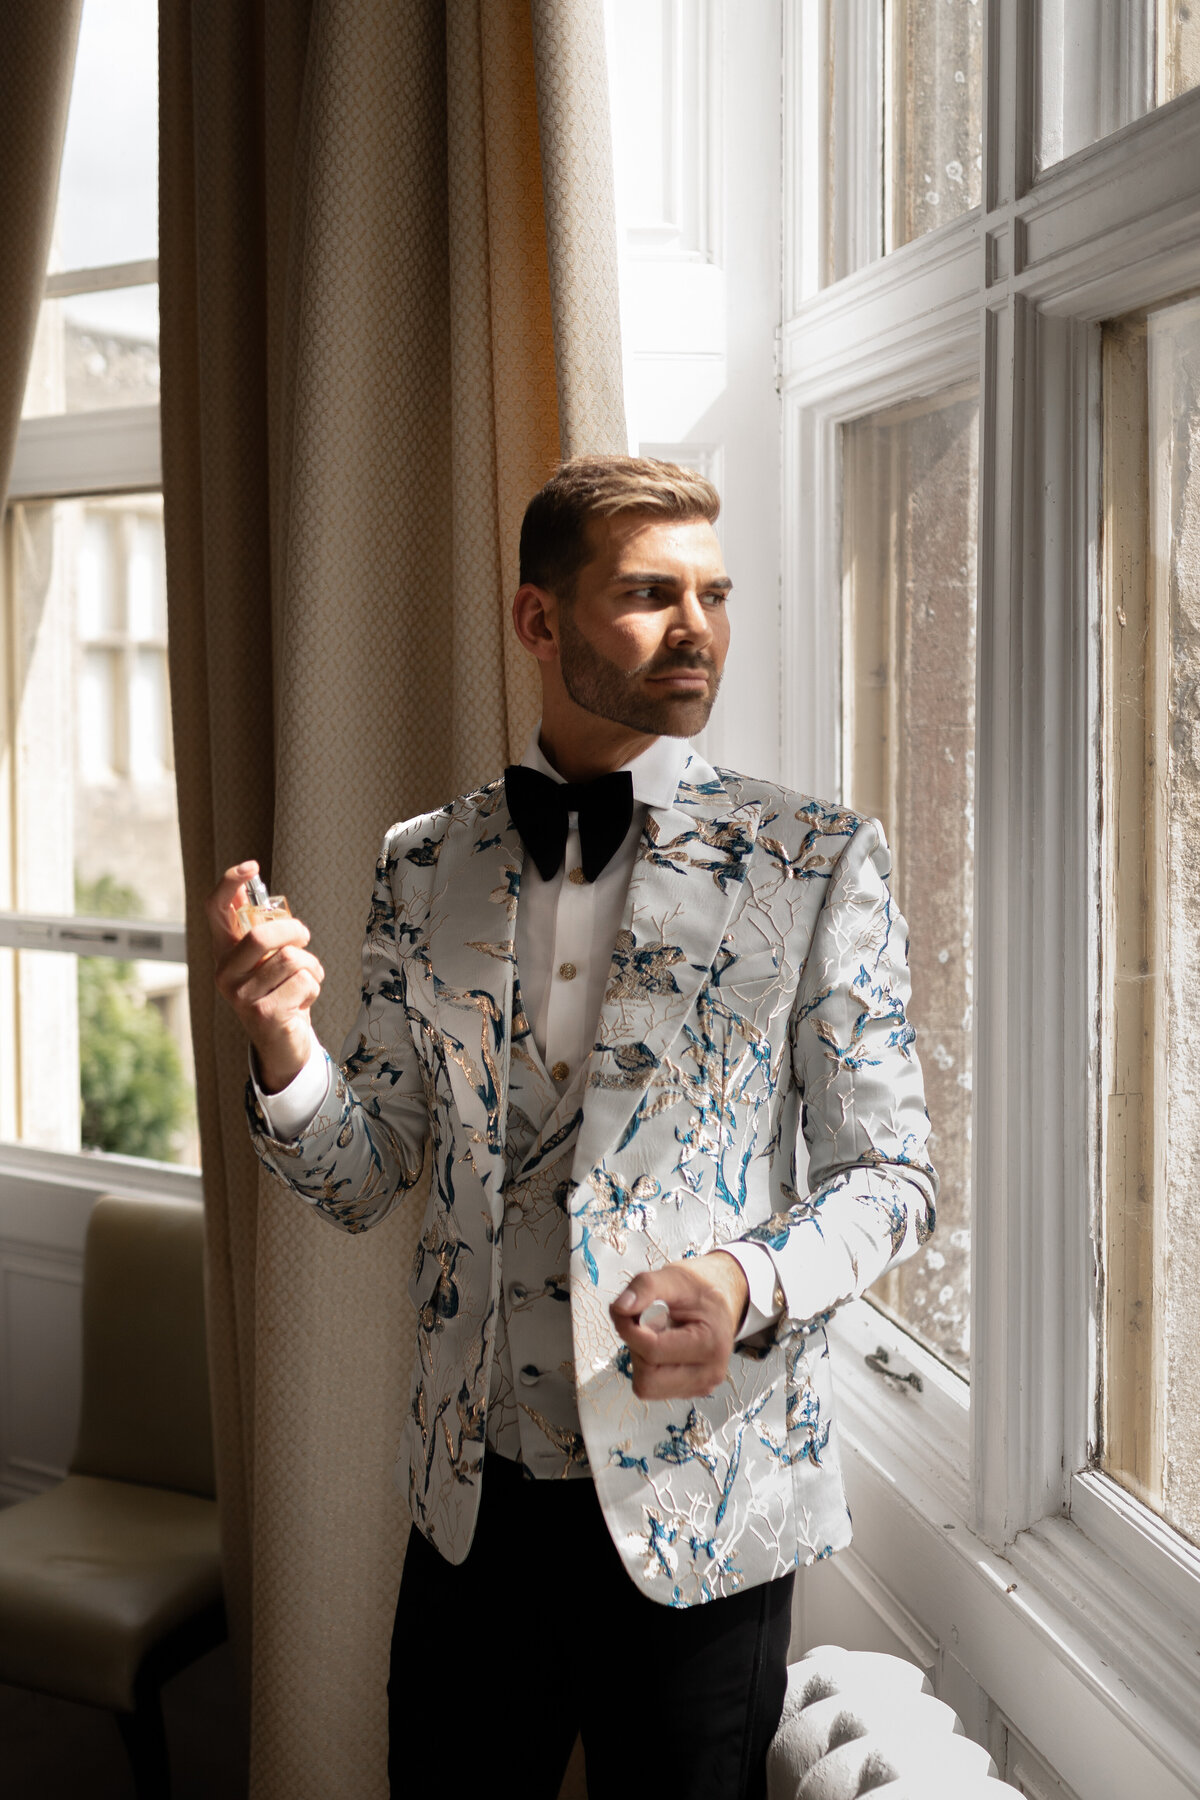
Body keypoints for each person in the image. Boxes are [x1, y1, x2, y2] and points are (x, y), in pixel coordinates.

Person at [207, 456, 936, 1800]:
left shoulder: (814, 858)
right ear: (541, 622)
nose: (697, 626)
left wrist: (743, 1280)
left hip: (701, 1515)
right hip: (473, 1517)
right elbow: (371, 1178)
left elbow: (892, 1179)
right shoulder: (420, 862)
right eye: (651, 595)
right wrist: (283, 1042)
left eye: (712, 593)